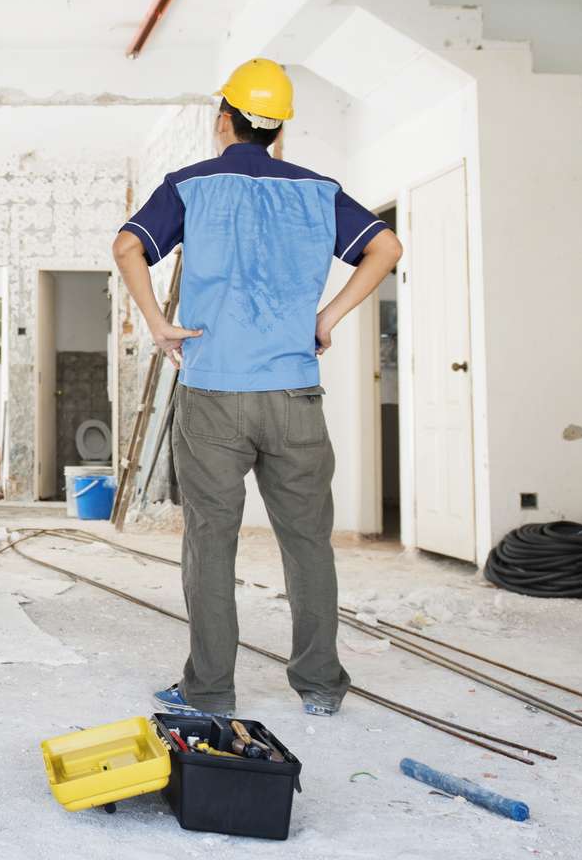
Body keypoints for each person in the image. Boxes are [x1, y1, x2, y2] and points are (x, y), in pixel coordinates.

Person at [112, 58, 402, 717]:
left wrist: (159, 323)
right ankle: (322, 688)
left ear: (224, 122)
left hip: (214, 393)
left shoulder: (190, 186)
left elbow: (128, 246)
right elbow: (385, 248)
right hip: (295, 393)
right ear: (279, 132)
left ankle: (210, 692)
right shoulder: (319, 190)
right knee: (306, 543)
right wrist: (325, 318)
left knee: (211, 543)